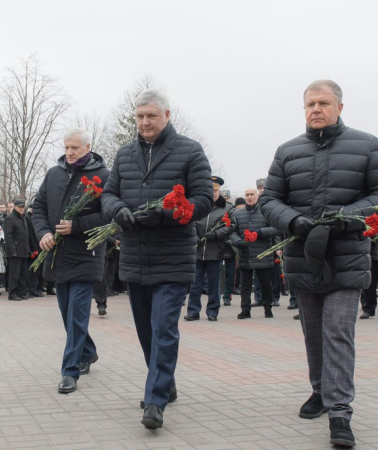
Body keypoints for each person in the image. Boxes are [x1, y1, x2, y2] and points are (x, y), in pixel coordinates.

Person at [259, 80, 378, 447]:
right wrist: (293, 221)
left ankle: (340, 412)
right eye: (309, 104)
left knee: (337, 330)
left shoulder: (367, 145)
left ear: (339, 106)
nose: (315, 109)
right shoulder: (287, 151)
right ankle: (320, 391)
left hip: (346, 258)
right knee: (313, 333)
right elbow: (269, 200)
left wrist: (344, 217)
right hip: (303, 257)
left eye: (323, 102)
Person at [100, 89, 212, 429]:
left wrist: (165, 213)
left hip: (173, 256)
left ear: (166, 115)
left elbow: (203, 199)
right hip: (135, 256)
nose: (145, 122)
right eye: (139, 116)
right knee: (146, 331)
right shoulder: (124, 154)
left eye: (151, 115)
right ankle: (166, 383)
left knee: (164, 327)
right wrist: (118, 211)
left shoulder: (190, 151)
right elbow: (108, 193)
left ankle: (155, 400)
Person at [33, 128, 110, 394]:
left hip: (86, 256)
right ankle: (88, 352)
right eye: (66, 147)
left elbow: (109, 215)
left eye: (75, 147)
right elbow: (39, 207)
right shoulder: (54, 174)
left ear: (88, 147)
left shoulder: (103, 176)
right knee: (67, 314)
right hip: (57, 256)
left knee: (77, 315)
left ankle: (70, 371)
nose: (69, 152)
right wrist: (43, 232)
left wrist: (76, 225)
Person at [186, 176, 233, 321]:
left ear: (219, 191)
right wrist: (195, 237)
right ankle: (193, 311)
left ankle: (212, 311)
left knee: (214, 284)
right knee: (195, 284)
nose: (213, 193)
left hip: (215, 250)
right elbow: (190, 222)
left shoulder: (227, 208)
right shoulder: (199, 206)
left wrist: (216, 234)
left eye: (215, 190)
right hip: (198, 250)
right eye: (210, 190)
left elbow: (231, 227)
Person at [230, 187, 281, 319]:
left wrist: (260, 232)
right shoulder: (238, 213)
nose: (249, 197)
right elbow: (233, 231)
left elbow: (275, 229)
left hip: (262, 254)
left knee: (266, 284)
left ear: (257, 196)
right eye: (247, 195)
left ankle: (268, 308)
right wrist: (237, 241)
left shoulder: (265, 212)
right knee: (245, 285)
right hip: (245, 254)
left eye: (252, 194)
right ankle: (245, 309)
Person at [3, 200, 32, 300]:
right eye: (19, 207)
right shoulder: (10, 218)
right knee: (14, 274)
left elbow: (26, 235)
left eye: (23, 207)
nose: (21, 208)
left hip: (23, 250)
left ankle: (21, 292)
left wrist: (28, 249)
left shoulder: (22, 218)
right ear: (15, 207)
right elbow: (8, 236)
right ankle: (12, 293)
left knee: (23, 274)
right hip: (15, 251)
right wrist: (13, 251)